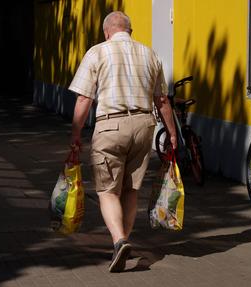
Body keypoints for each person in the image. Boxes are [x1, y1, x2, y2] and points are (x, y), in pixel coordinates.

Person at [68, 11, 177, 273]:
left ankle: (119, 241)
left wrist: (75, 135)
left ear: (107, 32)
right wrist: (172, 132)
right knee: (130, 190)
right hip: (143, 126)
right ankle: (122, 243)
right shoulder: (149, 54)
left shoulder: (97, 52)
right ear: (129, 30)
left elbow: (84, 99)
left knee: (107, 191)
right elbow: (161, 100)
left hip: (110, 126)